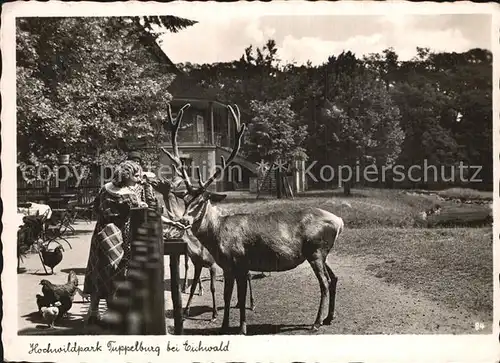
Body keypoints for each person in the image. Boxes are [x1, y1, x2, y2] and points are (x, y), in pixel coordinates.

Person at [83, 160, 150, 324]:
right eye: (136, 174)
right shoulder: (129, 194)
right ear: (127, 176)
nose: (139, 177)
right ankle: (111, 313)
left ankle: (93, 312)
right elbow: (141, 212)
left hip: (100, 233)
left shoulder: (105, 189)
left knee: (96, 270)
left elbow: (95, 208)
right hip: (116, 236)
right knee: (113, 273)